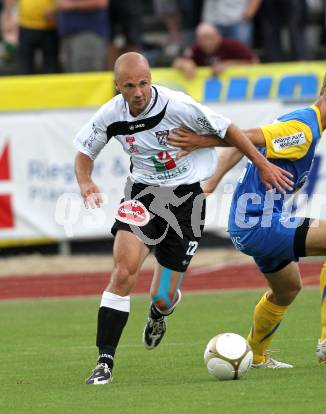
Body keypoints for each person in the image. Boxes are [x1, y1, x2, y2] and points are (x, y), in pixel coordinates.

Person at [74, 52, 292, 384]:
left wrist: (261, 164)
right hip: (142, 195)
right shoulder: (110, 115)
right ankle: (105, 361)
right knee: (123, 271)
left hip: (186, 200)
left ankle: (158, 315)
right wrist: (86, 181)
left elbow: (229, 130)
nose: (138, 92)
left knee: (162, 297)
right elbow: (85, 151)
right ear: (117, 86)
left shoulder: (178, 105)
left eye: (143, 83)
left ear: (151, 79)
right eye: (129, 86)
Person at [168, 60, 326, 367]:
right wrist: (200, 142)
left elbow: (245, 141)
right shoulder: (303, 128)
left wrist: (213, 179)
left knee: (287, 289)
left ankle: (256, 355)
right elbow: (243, 135)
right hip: (258, 223)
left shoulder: (301, 122)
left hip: (251, 223)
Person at [172, 22, 258, 80]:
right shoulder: (195, 49)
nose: (208, 41)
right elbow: (177, 62)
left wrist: (228, 65)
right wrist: (186, 64)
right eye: (204, 38)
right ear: (198, 40)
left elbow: (254, 61)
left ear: (218, 36)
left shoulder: (232, 45)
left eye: (211, 37)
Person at [2, 0, 58, 74]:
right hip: (26, 26)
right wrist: (8, 16)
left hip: (49, 26)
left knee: (51, 65)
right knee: (24, 66)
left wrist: (55, 10)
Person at [56, 0, 110, 72]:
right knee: (71, 77)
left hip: (87, 35)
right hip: (68, 36)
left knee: (87, 75)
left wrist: (70, 5)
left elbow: (100, 2)